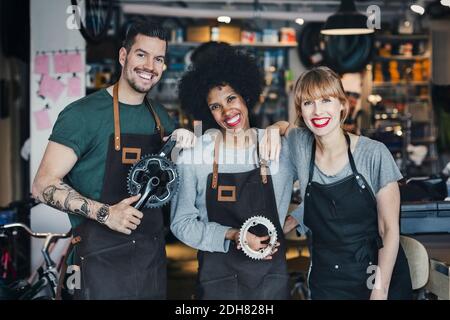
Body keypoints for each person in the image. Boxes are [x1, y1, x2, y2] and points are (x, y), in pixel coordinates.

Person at [32, 20, 193, 300]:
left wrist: (186, 139)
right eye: (141, 55)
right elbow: (42, 185)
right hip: (98, 263)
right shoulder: (82, 115)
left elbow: (174, 176)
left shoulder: (161, 117)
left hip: (149, 262)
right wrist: (107, 214)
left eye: (158, 59)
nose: (149, 66)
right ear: (123, 56)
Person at [171, 47, 303, 300]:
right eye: (215, 106)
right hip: (218, 280)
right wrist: (232, 235)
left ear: (246, 96)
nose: (226, 111)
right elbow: (182, 223)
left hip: (270, 280)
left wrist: (294, 221)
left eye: (231, 98)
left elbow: (325, 181)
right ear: (206, 112)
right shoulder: (195, 156)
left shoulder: (278, 147)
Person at [279, 66, 412, 300]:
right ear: (300, 110)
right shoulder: (299, 145)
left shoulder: (373, 154)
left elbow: (388, 230)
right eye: (308, 103)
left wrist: (379, 292)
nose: (318, 111)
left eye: (326, 100)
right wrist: (272, 130)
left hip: (375, 276)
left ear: (342, 105)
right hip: (327, 278)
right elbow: (283, 127)